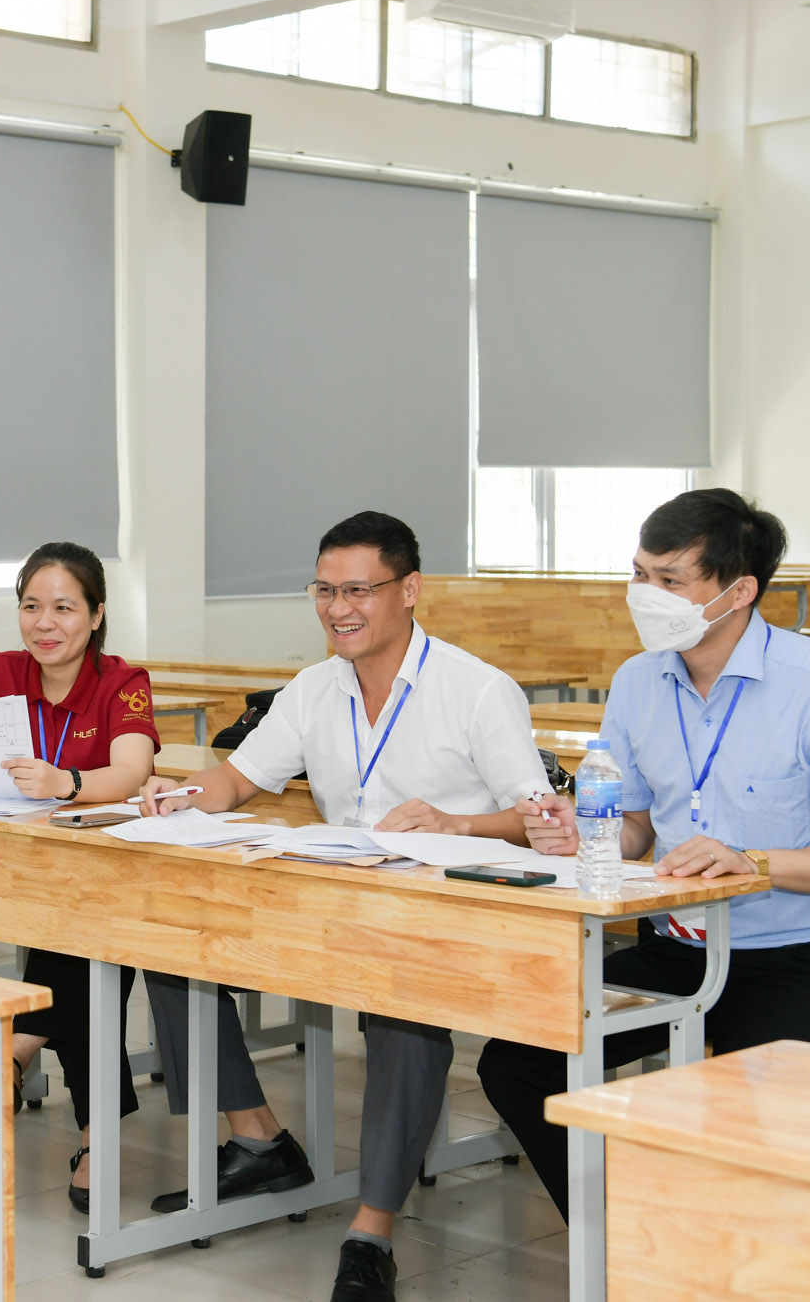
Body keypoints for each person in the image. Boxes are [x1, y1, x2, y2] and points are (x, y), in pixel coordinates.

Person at [134, 511, 551, 1302]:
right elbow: (239, 777)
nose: (338, 608)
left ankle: (371, 1231)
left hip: (440, 912)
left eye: (357, 589)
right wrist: (184, 793)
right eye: (324, 590)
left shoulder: (476, 689)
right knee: (169, 942)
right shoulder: (314, 687)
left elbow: (537, 818)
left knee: (403, 1008)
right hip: (337, 895)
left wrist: (455, 822)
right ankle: (258, 1137)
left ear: (410, 589)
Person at [478, 488, 810, 1219]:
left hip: (797, 962)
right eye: (639, 574)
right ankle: (625, 1238)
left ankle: (708, 1246)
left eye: (670, 580)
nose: (645, 595)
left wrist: (755, 862)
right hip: (676, 952)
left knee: (746, 1113)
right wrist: (581, 835)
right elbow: (635, 829)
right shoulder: (638, 681)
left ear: (739, 591)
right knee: (517, 1062)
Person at [0, 541, 158, 1213]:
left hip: (102, 868)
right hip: (21, 867)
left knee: (87, 941)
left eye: (64, 608)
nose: (44, 623)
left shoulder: (123, 681)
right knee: (85, 950)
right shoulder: (5, 671)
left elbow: (131, 771)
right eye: (31, 606)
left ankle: (19, 1050)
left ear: (97, 615)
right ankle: (87, 1127)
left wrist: (65, 782)